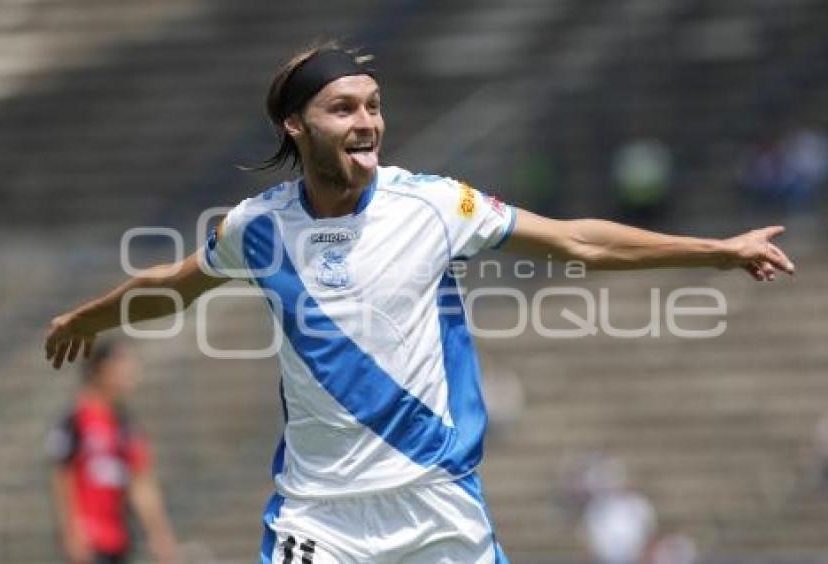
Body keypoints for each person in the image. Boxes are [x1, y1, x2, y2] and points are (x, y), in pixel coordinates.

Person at [43, 40, 796, 563]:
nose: (367, 122)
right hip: (321, 518)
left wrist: (718, 250)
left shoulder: (435, 205)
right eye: (343, 108)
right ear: (296, 125)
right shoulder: (259, 226)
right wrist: (90, 317)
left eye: (373, 105)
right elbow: (172, 287)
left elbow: (577, 241)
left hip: (439, 507)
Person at [47, 340, 177, 564]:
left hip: (119, 537)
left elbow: (141, 481)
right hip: (90, 539)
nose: (129, 380)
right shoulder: (76, 421)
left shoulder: (125, 425)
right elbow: (62, 476)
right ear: (101, 371)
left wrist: (160, 535)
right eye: (122, 372)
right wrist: (72, 529)